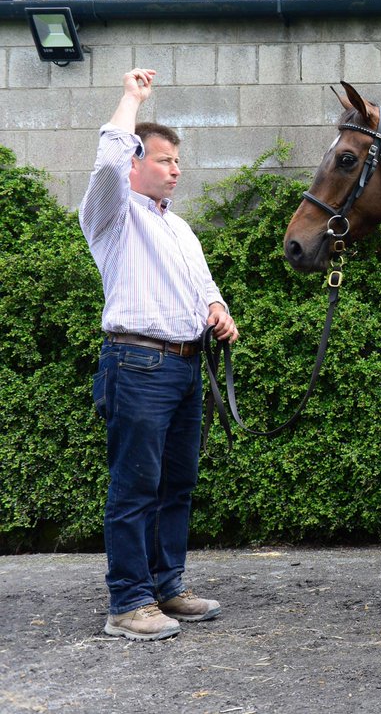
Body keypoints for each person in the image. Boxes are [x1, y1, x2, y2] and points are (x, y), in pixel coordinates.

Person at [80, 68, 239, 641]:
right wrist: (130, 99)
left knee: (175, 484)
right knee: (134, 486)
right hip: (138, 366)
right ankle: (127, 603)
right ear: (136, 163)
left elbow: (203, 288)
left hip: (184, 367)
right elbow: (105, 163)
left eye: (177, 160)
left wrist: (218, 312)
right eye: (166, 159)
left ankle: (166, 588)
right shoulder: (112, 215)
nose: (177, 168)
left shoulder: (182, 230)